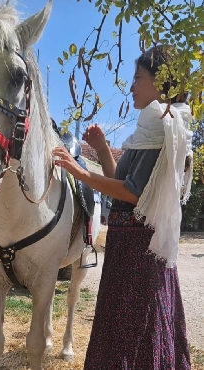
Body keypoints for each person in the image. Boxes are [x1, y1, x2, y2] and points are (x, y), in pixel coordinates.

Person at [53, 45, 193, 369]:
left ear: (161, 83)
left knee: (135, 332)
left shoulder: (161, 124)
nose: (131, 86)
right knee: (128, 330)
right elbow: (122, 185)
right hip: (128, 249)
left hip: (138, 254)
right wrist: (102, 150)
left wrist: (79, 172)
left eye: (138, 78)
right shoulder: (151, 127)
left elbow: (133, 193)